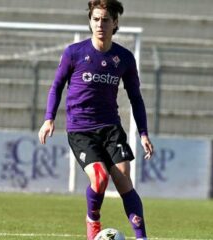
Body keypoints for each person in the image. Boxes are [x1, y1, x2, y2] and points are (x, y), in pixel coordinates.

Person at [38, 0, 154, 239]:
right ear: (90, 21)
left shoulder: (124, 58)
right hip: (81, 130)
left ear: (115, 23)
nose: (100, 24)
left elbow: (136, 98)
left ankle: (141, 237)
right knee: (100, 178)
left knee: (124, 181)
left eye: (105, 19)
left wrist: (143, 133)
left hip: (111, 128)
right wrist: (49, 118)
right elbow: (57, 86)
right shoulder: (74, 53)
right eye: (96, 19)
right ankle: (93, 219)